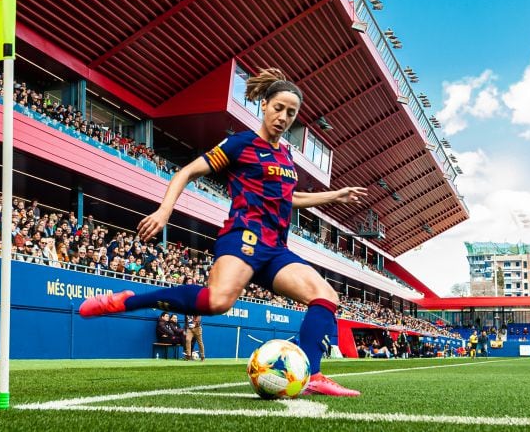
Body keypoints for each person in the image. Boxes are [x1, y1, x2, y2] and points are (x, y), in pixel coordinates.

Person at [80, 68, 367, 396]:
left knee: (326, 295)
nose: (284, 117)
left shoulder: (286, 156)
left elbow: (289, 197)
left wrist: (335, 195)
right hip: (244, 236)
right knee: (217, 302)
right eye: (278, 108)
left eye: (291, 112)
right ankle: (127, 301)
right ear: (265, 106)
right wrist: (164, 210)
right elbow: (188, 171)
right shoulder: (240, 144)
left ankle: (312, 375)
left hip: (276, 249)